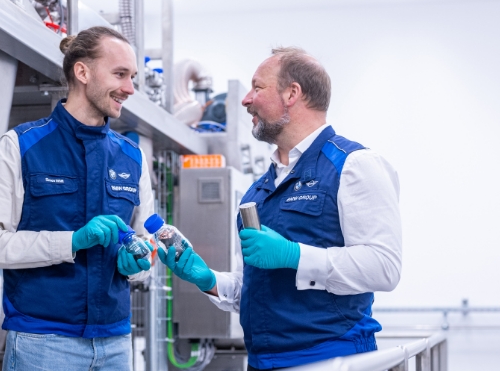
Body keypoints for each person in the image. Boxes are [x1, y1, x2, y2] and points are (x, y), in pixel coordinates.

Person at [160, 47, 402, 370]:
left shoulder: (354, 165)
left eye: (257, 88)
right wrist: (208, 280)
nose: (246, 100)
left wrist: (295, 255)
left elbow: (384, 266)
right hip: (261, 361)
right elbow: (254, 287)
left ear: (292, 93)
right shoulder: (257, 193)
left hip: (333, 358)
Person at [0, 26, 155, 371]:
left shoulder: (132, 158)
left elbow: (146, 242)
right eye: (120, 75)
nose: (129, 88)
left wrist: (140, 263)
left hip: (116, 344)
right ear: (82, 72)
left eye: (133, 77)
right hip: (43, 344)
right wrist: (71, 242)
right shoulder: (21, 146)